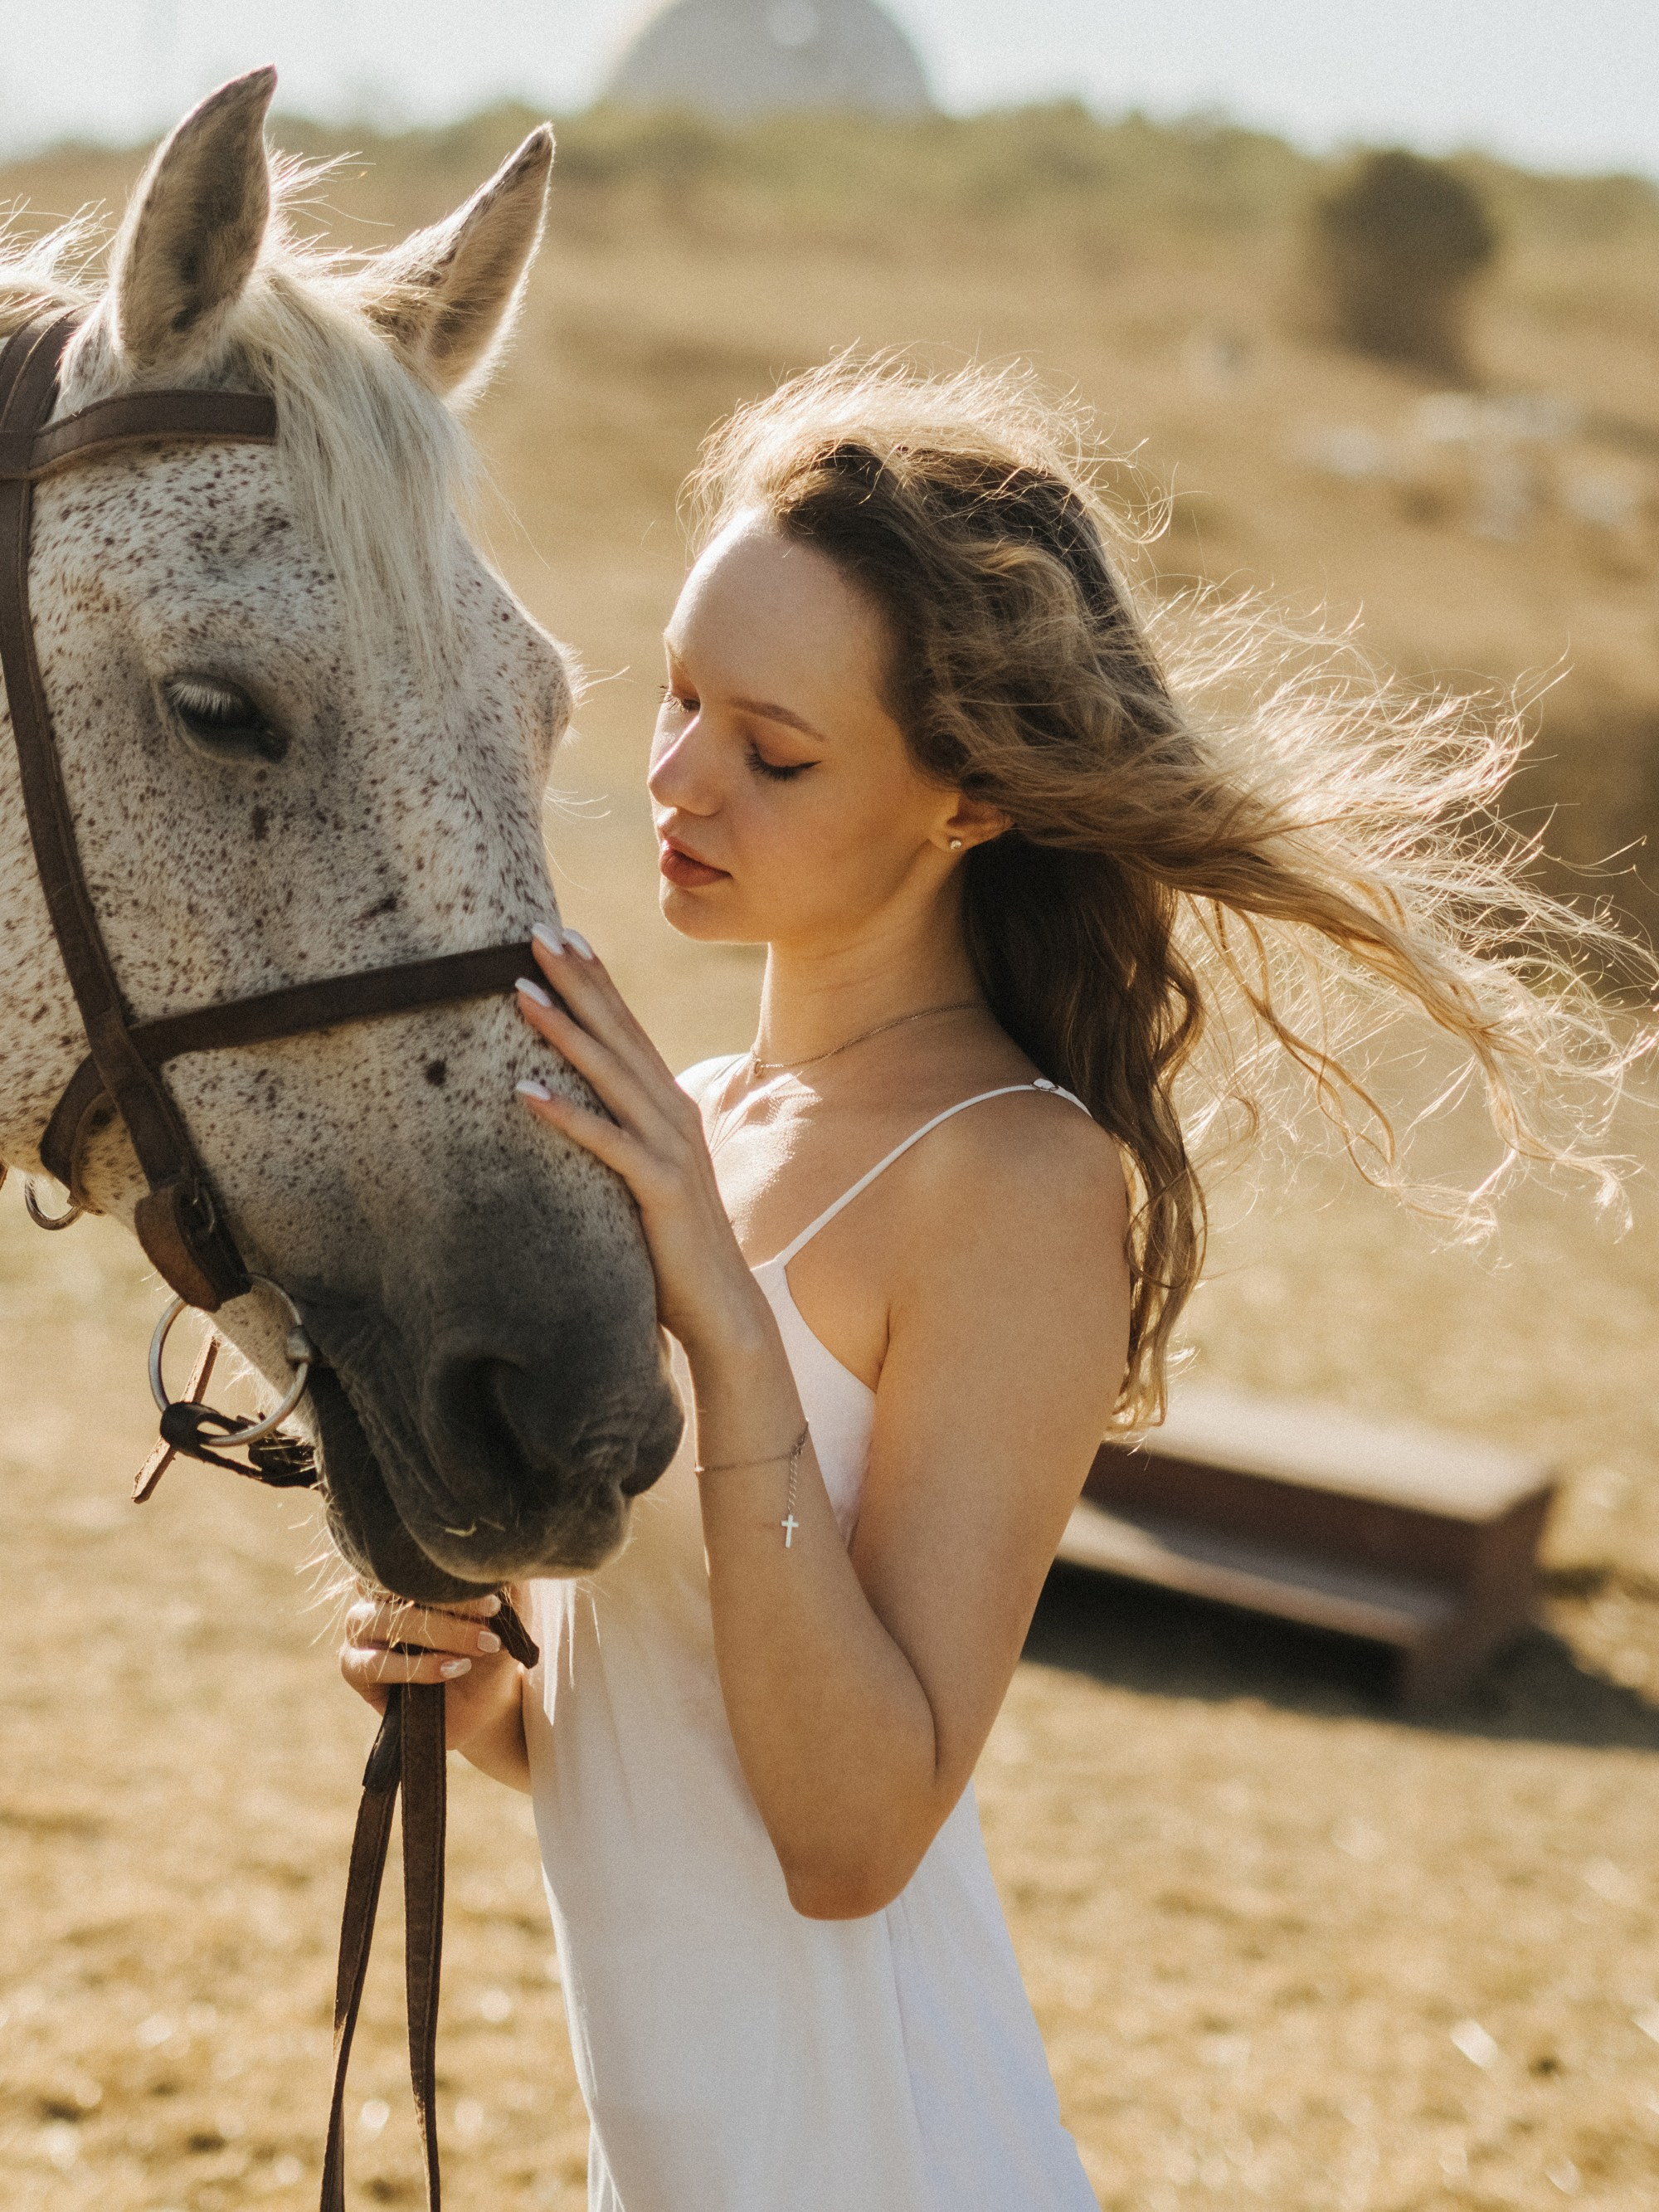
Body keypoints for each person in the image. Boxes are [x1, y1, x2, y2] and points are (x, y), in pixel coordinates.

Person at [341, 359, 1642, 2210]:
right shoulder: (692, 1114)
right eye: (683, 696)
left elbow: (855, 1830)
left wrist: (715, 1298)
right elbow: (680, 1722)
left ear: (963, 806)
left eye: (773, 751)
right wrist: (485, 1702)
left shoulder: (1017, 1179)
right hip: (671, 2156)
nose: (678, 775)